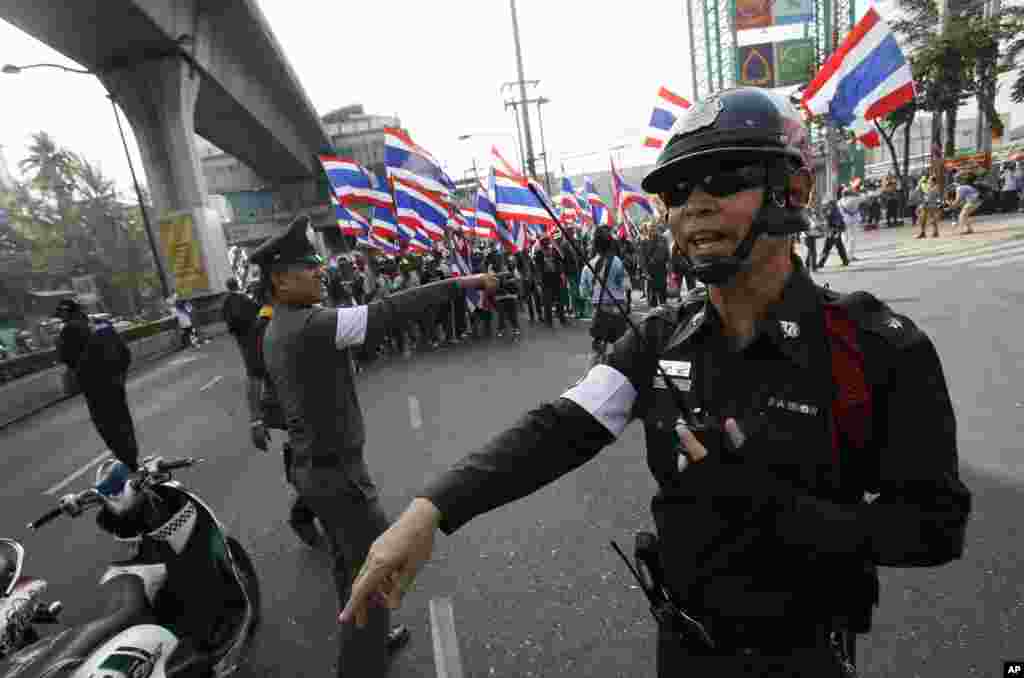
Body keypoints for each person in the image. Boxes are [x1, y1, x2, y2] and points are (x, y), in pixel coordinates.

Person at [340, 87, 971, 677]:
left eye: (724, 182)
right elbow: (562, 428)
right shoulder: (656, 338)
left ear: (796, 190)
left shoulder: (875, 347)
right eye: (676, 194)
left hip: (803, 657)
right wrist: (429, 513)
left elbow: (936, 528)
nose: (694, 206)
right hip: (685, 648)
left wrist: (773, 508)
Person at [251, 215, 497, 677]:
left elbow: (276, 400)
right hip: (336, 475)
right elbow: (389, 313)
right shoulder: (311, 326)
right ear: (281, 280)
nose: (321, 271)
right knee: (379, 571)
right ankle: (361, 666)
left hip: (315, 470)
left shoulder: (276, 327)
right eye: (308, 266)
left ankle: (370, 639)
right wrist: (462, 281)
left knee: (352, 567)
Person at [246, 287, 327, 551]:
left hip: (309, 401)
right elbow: (255, 376)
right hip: (287, 406)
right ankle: (302, 515)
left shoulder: (299, 314)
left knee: (317, 460)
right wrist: (255, 420)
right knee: (312, 463)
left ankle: (311, 509)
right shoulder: (263, 325)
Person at [55, 298, 139, 469]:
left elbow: (66, 359)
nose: (61, 319)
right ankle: (132, 457)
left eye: (61, 315)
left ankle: (127, 460)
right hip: (115, 383)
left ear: (66, 312)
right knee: (122, 420)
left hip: (94, 387)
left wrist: (83, 374)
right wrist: (119, 376)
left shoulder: (69, 330)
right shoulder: (102, 324)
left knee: (107, 426)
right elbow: (124, 353)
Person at [579, 226, 629, 368]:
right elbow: (626, 286)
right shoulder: (618, 262)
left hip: (599, 311)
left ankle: (592, 377)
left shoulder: (588, 266)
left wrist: (594, 294)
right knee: (619, 348)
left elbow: (583, 292)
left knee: (597, 350)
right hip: (618, 310)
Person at [533, 235, 569, 327]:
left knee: (559, 300)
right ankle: (549, 321)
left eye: (547, 241)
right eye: (544, 242)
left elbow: (562, 258)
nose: (547, 243)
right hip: (545, 279)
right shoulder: (538, 253)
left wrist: (562, 274)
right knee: (547, 302)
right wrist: (538, 280)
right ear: (541, 243)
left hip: (556, 278)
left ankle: (562, 318)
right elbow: (537, 267)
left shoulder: (554, 251)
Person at [916, 172, 942, 239]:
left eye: (930, 180)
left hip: (932, 205)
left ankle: (935, 232)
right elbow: (922, 192)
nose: (928, 181)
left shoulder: (935, 187)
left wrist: (938, 205)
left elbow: (933, 196)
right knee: (923, 218)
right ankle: (923, 232)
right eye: (928, 180)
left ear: (933, 181)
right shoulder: (929, 187)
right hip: (927, 205)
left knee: (932, 219)